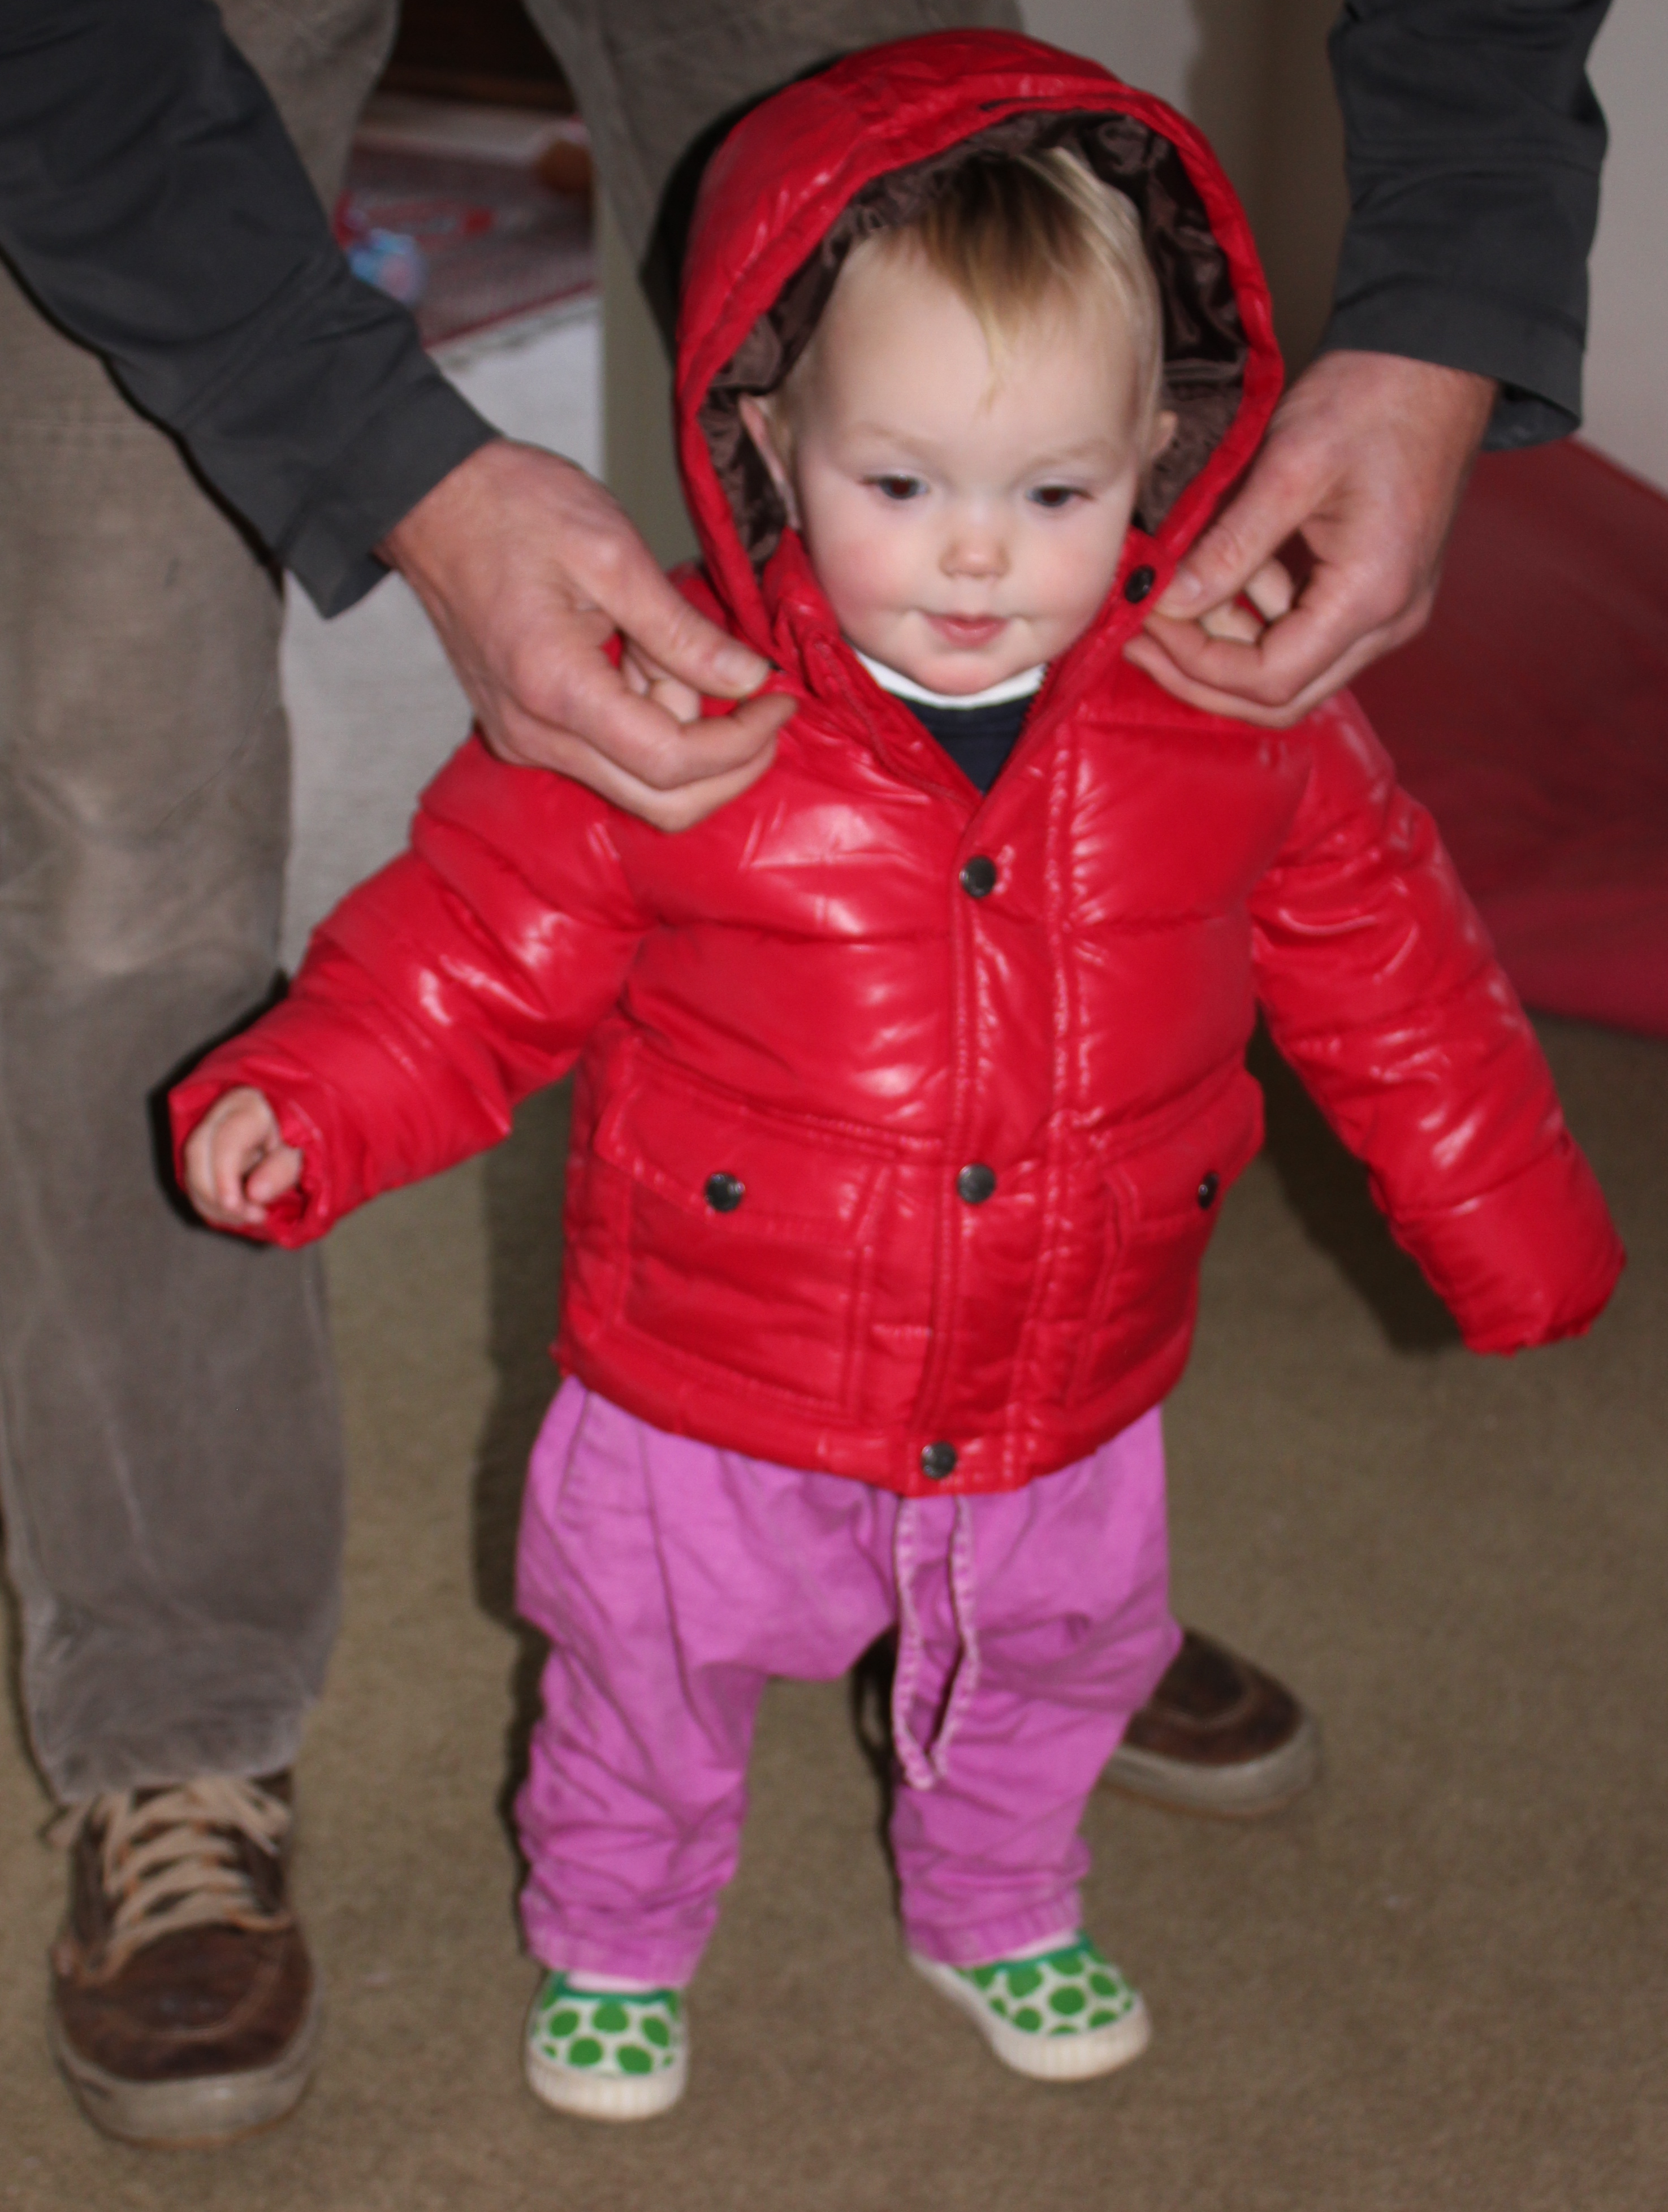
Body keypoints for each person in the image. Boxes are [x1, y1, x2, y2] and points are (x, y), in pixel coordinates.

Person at [0, 0, 1613, 2149]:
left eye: (1054, 489)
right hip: (700, 1404)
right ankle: (570, 1908)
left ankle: (999, 1886)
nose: (977, 555)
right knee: (645, 1693)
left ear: (1166, 446)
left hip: (1057, 1392)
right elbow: (463, 960)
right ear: (764, 442)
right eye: (900, 483)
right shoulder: (674, 722)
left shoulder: (1238, 715)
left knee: (1051, 1660)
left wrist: (1520, 1231)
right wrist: (306, 1101)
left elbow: (1398, 975)